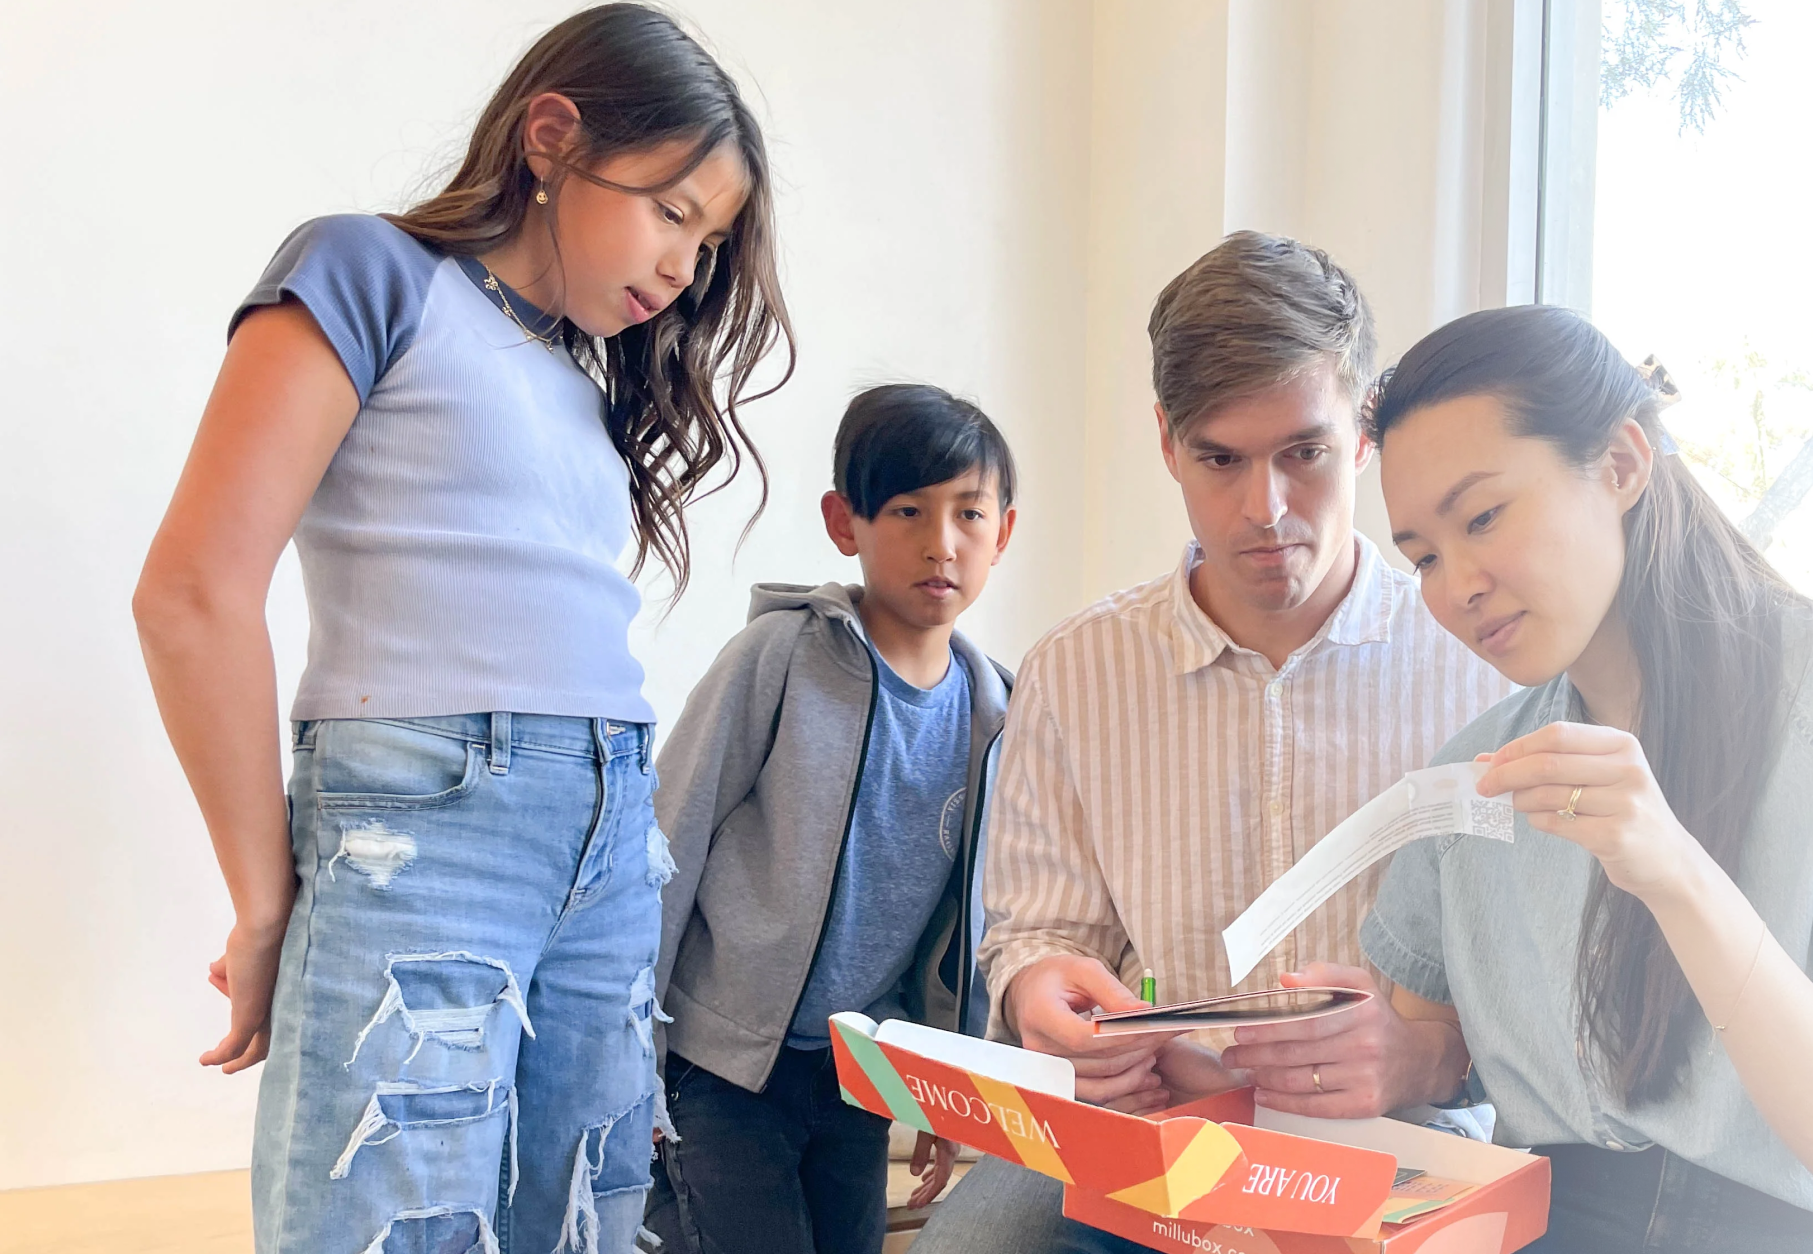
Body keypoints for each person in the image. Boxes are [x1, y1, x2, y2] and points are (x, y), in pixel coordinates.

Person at [130, 7, 790, 1251]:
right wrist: (265, 899)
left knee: (588, 1222)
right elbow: (193, 595)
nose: (685, 269)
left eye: (706, 242)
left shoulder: (576, 375)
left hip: (607, 842)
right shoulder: (368, 273)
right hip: (429, 827)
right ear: (552, 139)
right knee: (394, 1223)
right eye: (671, 211)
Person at [1229, 304, 1813, 1253]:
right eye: (1421, 557)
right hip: (1553, 1220)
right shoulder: (1475, 777)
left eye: (1483, 517)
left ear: (1621, 463)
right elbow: (1431, 1067)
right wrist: (1362, 1056)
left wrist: (1672, 868)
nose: (1455, 586)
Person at [910, 233, 1506, 1254]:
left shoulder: (1479, 663)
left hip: (1404, 1143)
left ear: (1363, 432)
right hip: (1147, 1139)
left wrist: (1431, 1056)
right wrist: (1040, 997)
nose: (1264, 510)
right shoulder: (1078, 671)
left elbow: (1548, 979)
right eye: (1219, 460)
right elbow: (1037, 937)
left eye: (1303, 454)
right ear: (1165, 442)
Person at [640, 385, 1019, 1254]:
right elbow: (666, 841)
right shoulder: (776, 659)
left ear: (1002, 533)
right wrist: (634, 1055)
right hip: (722, 1065)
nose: (941, 543)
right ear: (844, 521)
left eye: (969, 513)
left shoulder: (999, 716)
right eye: (907, 511)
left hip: (860, 1078)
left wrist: (943, 1082)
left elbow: (970, 922)